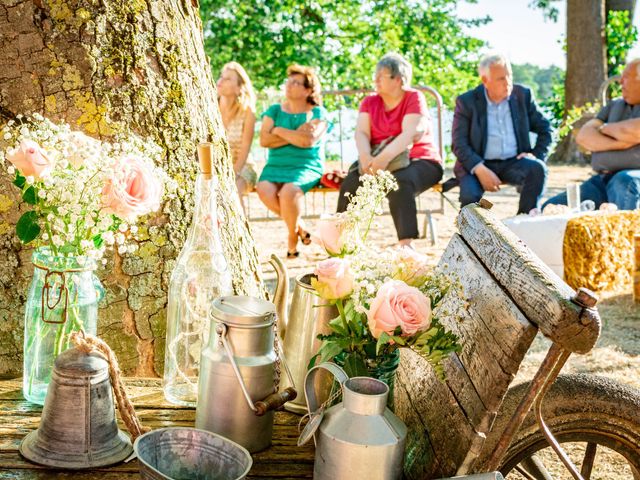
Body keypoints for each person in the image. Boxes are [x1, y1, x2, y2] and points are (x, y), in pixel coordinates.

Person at [336, 53, 442, 247]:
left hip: (420, 159)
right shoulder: (369, 102)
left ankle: (406, 246)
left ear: (398, 79)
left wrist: (383, 160)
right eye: (375, 75)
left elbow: (411, 132)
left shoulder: (414, 97)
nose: (375, 80)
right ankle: (341, 243)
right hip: (375, 158)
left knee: (399, 182)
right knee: (350, 184)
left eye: (381, 75)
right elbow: (361, 133)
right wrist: (366, 157)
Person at [452, 54, 552, 214]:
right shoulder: (467, 102)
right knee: (469, 197)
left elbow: (546, 129)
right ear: (485, 80)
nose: (508, 83)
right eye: (501, 79)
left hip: (513, 162)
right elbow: (459, 143)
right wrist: (479, 168)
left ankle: (524, 223)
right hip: (478, 164)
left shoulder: (523, 95)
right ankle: (473, 237)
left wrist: (535, 154)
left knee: (537, 169)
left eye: (509, 76)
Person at [543, 59, 640, 211]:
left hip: (632, 179)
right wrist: (621, 143)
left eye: (626, 77)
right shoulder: (614, 105)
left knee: (625, 182)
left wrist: (603, 129)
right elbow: (584, 136)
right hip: (601, 180)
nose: (620, 81)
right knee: (550, 207)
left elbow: (635, 130)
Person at [257, 64, 331, 258]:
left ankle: (292, 236)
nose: (289, 86)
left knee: (289, 192)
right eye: (288, 81)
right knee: (263, 189)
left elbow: (308, 141)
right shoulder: (274, 110)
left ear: (308, 90)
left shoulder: (318, 113)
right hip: (275, 166)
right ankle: (300, 227)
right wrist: (294, 134)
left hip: (306, 165)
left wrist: (279, 131)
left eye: (296, 83)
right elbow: (264, 140)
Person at [217, 62, 258, 200]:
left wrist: (231, 174)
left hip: (242, 167)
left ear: (239, 87)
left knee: (234, 189)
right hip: (215, 167)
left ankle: (242, 222)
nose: (221, 81)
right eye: (221, 76)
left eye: (228, 79)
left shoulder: (247, 112)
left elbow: (245, 149)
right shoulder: (210, 108)